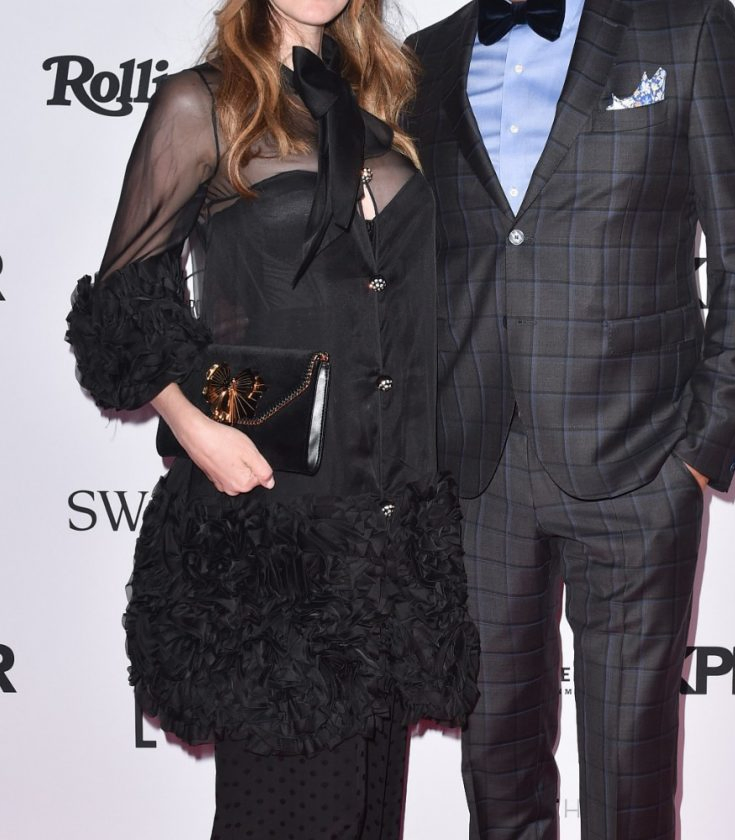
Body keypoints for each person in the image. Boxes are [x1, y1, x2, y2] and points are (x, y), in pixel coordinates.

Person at [65, 1, 478, 837]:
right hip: (273, 532)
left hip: (386, 527)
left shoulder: (386, 103)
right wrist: (196, 429)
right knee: (287, 819)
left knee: (369, 817)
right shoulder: (203, 104)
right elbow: (122, 307)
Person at [406, 0, 735, 837]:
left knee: (629, 772)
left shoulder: (683, 28)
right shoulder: (423, 57)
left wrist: (699, 453)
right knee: (495, 763)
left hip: (637, 463)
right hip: (476, 473)